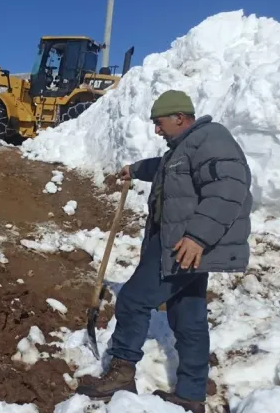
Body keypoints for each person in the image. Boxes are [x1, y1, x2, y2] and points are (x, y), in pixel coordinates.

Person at [75, 90, 252, 413]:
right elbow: (168, 168)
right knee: (188, 317)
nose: (156, 130)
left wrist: (198, 237)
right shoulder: (186, 147)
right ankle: (191, 393)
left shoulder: (212, 139)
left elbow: (229, 188)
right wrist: (136, 168)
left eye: (159, 123)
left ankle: (122, 372)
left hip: (184, 244)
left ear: (180, 118)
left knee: (133, 299)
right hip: (187, 244)